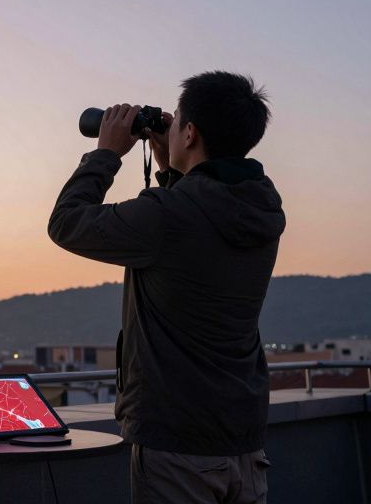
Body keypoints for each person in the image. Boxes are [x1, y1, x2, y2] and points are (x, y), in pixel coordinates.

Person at [47, 71, 284, 504]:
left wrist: (106, 154)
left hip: (177, 444)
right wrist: (172, 170)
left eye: (177, 122)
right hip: (244, 440)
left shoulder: (167, 216)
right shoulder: (260, 208)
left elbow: (66, 223)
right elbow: (195, 229)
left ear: (190, 133)